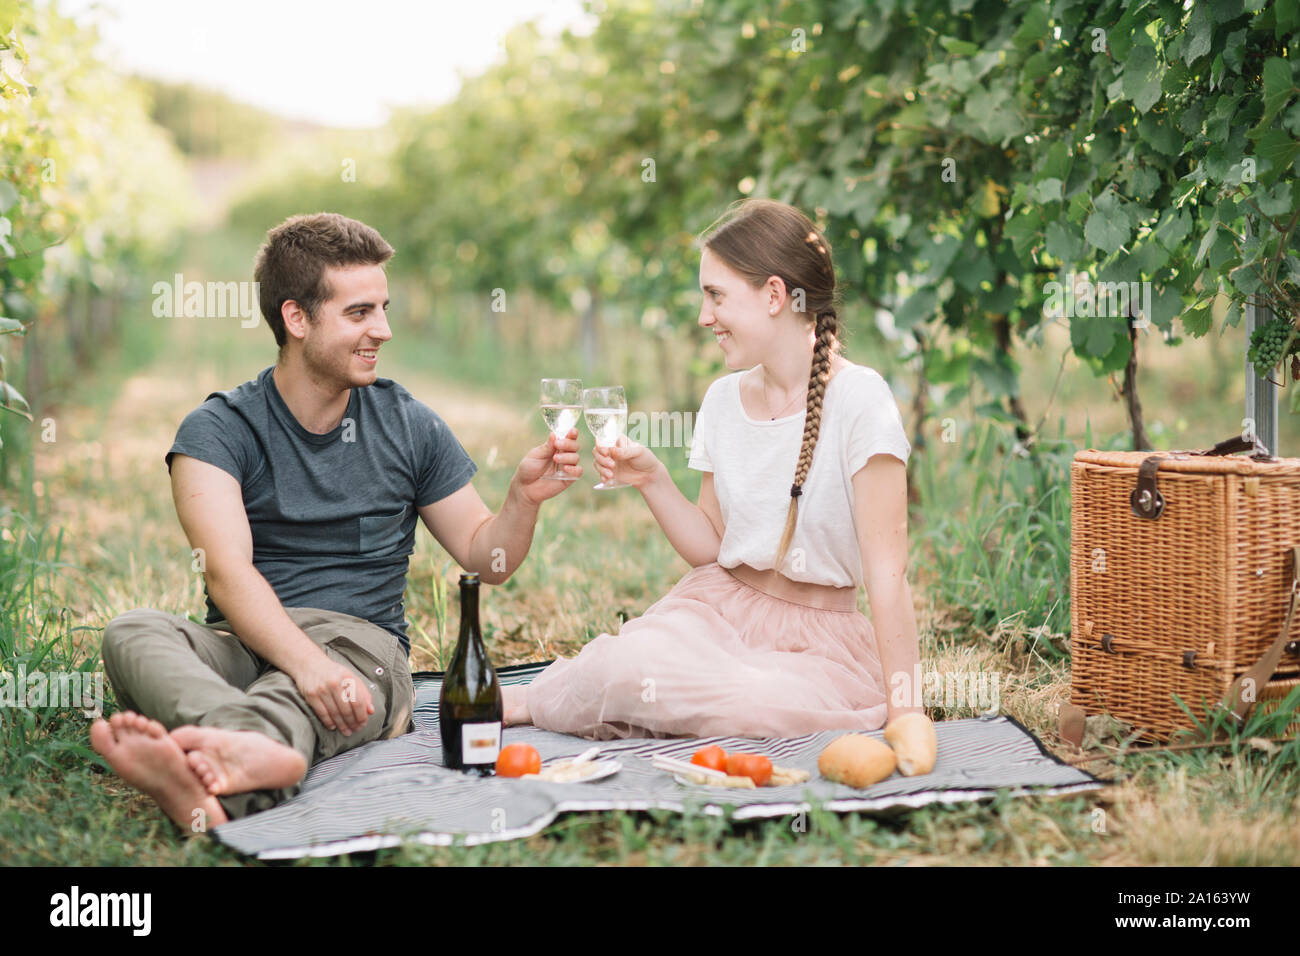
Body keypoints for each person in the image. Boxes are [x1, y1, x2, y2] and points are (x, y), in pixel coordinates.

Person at [91, 212, 583, 829]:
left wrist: (523, 500)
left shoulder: (408, 424)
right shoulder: (217, 430)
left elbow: (488, 561)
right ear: (296, 318)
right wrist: (304, 662)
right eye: (359, 313)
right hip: (246, 640)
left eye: (383, 308)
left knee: (298, 694)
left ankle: (218, 751)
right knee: (133, 632)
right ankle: (227, 771)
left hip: (361, 650)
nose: (384, 329)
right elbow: (226, 573)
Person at [502, 198, 922, 740]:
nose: (704, 317)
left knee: (757, 703)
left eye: (715, 296)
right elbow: (712, 546)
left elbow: (889, 579)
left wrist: (907, 711)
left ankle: (664, 710)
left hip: (816, 646)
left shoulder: (861, 400)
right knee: (625, 668)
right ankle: (544, 698)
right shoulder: (724, 399)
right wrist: (653, 479)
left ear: (774, 295)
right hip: (715, 616)